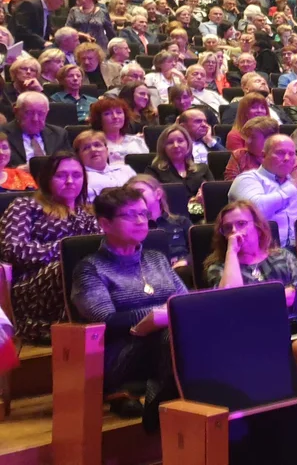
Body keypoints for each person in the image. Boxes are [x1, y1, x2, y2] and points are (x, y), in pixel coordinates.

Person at [71, 187, 183, 427]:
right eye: (130, 215)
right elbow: (106, 321)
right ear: (105, 223)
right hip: (119, 355)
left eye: (143, 213)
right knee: (170, 335)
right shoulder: (91, 268)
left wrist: (164, 314)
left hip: (163, 343)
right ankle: (159, 412)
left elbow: (186, 303)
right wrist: (157, 314)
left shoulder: (157, 259)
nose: (141, 221)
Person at [204, 200, 297, 370]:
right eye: (228, 228)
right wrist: (232, 252)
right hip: (249, 339)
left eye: (241, 224)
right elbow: (229, 300)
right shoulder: (219, 267)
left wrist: (249, 301)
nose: (235, 232)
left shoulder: (283, 256)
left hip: (296, 330)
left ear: (257, 226)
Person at [0, 151, 97, 342]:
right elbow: (13, 250)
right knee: (76, 267)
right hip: (32, 286)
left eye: (77, 175)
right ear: (47, 179)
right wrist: (66, 250)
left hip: (83, 280)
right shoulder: (25, 206)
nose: (70, 181)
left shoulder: (89, 214)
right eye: (61, 175)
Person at [227, 135, 297, 250]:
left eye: (291, 154)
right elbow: (256, 211)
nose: (287, 158)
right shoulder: (247, 179)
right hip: (260, 252)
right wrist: (293, 186)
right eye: (280, 152)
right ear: (263, 155)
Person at [143, 126, 213, 215]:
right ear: (163, 147)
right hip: (172, 219)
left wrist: (205, 196)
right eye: (170, 142)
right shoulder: (153, 171)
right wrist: (192, 201)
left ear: (188, 144)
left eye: (180, 141)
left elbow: (213, 196)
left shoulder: (203, 169)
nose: (176, 145)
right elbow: (153, 200)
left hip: (203, 216)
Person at [127, 174, 191, 268]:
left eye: (139, 192)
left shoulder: (181, 222)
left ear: (158, 194)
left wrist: (186, 261)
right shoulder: (131, 228)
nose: (136, 197)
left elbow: (198, 251)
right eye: (131, 195)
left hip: (181, 272)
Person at [3, 92, 70, 168]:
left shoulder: (59, 134)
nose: (35, 119)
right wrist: (18, 171)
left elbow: (69, 162)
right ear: (16, 111)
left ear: (47, 113)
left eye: (41, 113)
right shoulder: (2, 134)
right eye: (29, 113)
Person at [75, 130, 136, 200]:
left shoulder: (125, 170)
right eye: (86, 148)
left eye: (97, 145)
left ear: (107, 150)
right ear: (78, 156)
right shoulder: (80, 178)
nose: (93, 149)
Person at [90, 96, 150, 164]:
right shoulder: (93, 145)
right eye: (108, 113)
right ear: (99, 119)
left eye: (119, 112)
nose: (115, 117)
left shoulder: (138, 141)